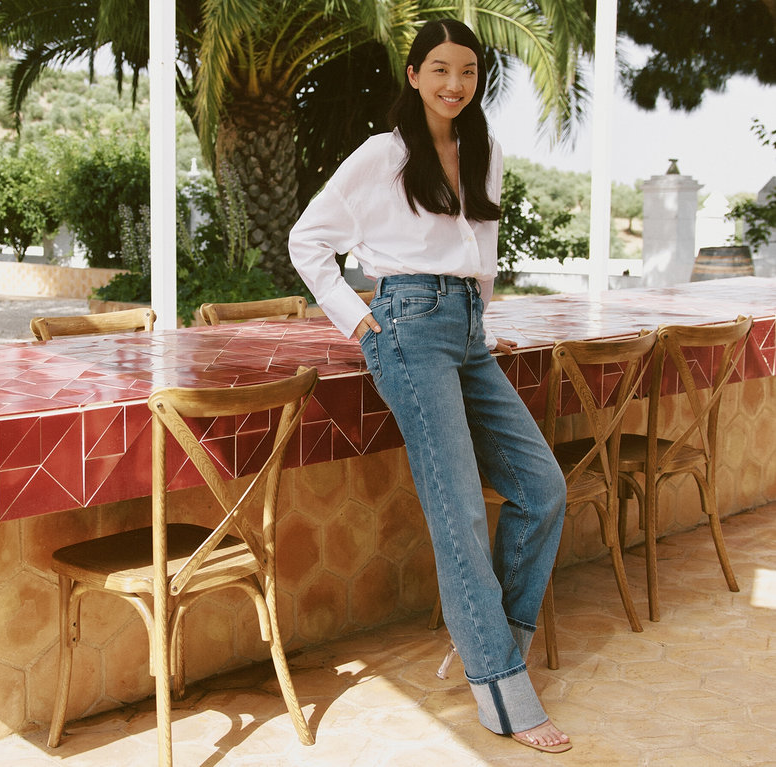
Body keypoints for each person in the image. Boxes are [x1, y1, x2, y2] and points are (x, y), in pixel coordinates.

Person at [289, 18, 571, 754]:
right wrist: (357, 320)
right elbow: (307, 240)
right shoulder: (382, 155)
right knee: (460, 515)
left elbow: (481, 254)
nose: (455, 84)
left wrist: (479, 331)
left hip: (466, 332)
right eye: (440, 69)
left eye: (468, 72)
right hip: (406, 327)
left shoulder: (485, 150)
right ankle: (502, 693)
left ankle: (490, 640)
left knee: (543, 487)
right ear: (413, 75)